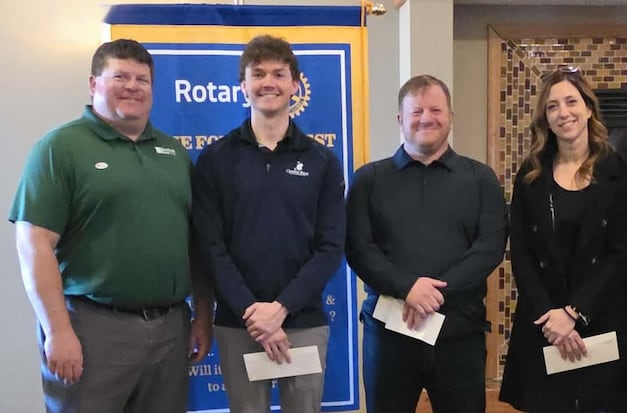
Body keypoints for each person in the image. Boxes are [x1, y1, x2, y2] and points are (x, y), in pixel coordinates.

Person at [9, 39, 213, 413]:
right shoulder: (59, 148)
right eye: (120, 76)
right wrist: (57, 331)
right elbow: (33, 243)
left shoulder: (173, 153)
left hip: (171, 328)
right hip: (93, 329)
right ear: (93, 84)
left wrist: (202, 316)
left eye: (142, 79)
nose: (132, 86)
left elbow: (195, 244)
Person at [191, 35, 345, 413]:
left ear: (295, 84)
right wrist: (254, 313)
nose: (268, 82)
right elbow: (211, 246)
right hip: (238, 323)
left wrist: (281, 309)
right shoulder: (215, 159)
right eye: (257, 74)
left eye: (279, 73)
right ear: (242, 86)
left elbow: (330, 248)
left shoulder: (322, 160)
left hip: (303, 322)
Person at [345, 74, 508, 413]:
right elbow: (359, 249)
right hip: (389, 335)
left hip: (459, 334)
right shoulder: (368, 180)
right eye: (416, 111)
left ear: (450, 117)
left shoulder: (480, 179)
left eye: (436, 109)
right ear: (400, 119)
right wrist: (407, 287)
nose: (426, 118)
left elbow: (489, 247)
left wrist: (433, 293)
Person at [499, 66, 627, 413]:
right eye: (552, 106)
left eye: (571, 102)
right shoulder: (530, 175)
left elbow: (619, 252)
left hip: (601, 315)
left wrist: (575, 313)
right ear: (545, 119)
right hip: (544, 320)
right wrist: (553, 317)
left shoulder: (621, 171)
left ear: (589, 108)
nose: (564, 113)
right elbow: (521, 251)